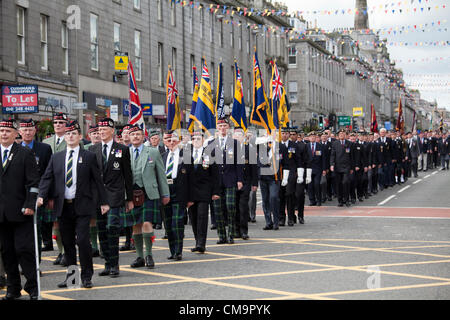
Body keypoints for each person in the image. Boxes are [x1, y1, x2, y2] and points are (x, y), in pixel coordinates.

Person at [38, 120, 110, 289]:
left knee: (83, 241)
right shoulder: (57, 157)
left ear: (79, 136)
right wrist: (41, 195)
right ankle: (72, 277)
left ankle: (86, 276)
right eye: (68, 134)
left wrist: (104, 202)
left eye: (73, 133)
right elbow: (47, 178)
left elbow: (97, 181)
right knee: (68, 243)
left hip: (83, 205)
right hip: (63, 206)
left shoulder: (89, 156)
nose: (70, 136)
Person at [0, 119, 40, 300]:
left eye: (8, 131)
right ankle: (13, 288)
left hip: (22, 211)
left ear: (16, 134)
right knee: (6, 252)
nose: (4, 134)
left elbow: (33, 183)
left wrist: (30, 204)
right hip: (1, 213)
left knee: (24, 250)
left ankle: (32, 287)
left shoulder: (24, 153)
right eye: (1, 130)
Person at [89, 118, 133, 278]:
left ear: (112, 131)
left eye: (104, 129)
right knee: (102, 231)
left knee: (112, 229)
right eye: (99, 130)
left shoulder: (122, 149)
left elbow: (128, 176)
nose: (101, 132)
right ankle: (107, 263)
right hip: (98, 197)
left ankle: (115, 264)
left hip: (115, 196)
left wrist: (129, 199)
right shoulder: (92, 149)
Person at [125, 125, 169, 268]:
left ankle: (149, 254)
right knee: (135, 226)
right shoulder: (124, 153)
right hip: (131, 194)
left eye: (138, 134)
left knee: (146, 223)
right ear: (129, 137)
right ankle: (139, 257)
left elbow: (161, 174)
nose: (135, 137)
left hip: (149, 193)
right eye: (133, 135)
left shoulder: (153, 152)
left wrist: (165, 193)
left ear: (143, 137)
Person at [18, 119, 53, 257]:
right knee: (21, 232)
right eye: (24, 130)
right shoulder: (15, 148)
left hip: (38, 195)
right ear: (19, 132)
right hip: (19, 196)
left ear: (35, 131)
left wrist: (48, 196)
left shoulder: (44, 149)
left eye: (30, 129)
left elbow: (49, 174)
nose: (27, 132)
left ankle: (35, 264)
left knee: (36, 231)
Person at [43, 113, 71, 267]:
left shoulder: (70, 140)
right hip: (51, 187)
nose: (58, 125)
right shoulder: (46, 142)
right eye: (56, 122)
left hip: (66, 186)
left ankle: (67, 251)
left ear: (66, 125)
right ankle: (61, 251)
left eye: (61, 122)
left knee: (65, 222)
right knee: (55, 223)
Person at [210, 119, 244, 244]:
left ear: (228, 128)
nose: (222, 128)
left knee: (230, 207)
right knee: (218, 209)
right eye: (220, 126)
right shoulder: (211, 144)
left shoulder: (234, 143)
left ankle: (231, 234)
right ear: (217, 128)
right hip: (217, 182)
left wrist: (240, 179)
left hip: (231, 179)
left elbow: (239, 163)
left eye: (225, 126)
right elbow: (209, 164)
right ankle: (221, 235)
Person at [162, 131, 192, 260]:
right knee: (168, 223)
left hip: (179, 191)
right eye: (169, 140)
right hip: (165, 191)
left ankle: (178, 251)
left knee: (177, 222)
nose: (172, 142)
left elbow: (191, 178)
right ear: (165, 142)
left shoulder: (186, 155)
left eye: (174, 140)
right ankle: (172, 250)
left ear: (179, 141)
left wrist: (190, 198)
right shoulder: (162, 156)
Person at [188, 131, 220, 253]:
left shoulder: (209, 153)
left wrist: (215, 191)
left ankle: (202, 243)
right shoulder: (186, 153)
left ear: (203, 140)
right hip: (191, 191)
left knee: (202, 217)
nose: (196, 140)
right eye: (194, 138)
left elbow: (215, 175)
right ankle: (197, 242)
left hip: (204, 190)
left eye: (198, 138)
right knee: (193, 217)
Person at [233, 127, 258, 239]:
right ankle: (236, 230)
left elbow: (254, 168)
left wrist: (254, 183)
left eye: (239, 135)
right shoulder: (229, 149)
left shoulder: (250, 149)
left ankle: (244, 231)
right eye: (235, 136)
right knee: (234, 207)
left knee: (243, 207)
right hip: (233, 182)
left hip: (246, 181)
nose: (237, 138)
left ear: (243, 137)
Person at [330, 129, 353, 207]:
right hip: (338, 166)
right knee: (339, 184)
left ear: (345, 135)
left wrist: (352, 167)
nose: (341, 135)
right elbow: (332, 155)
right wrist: (332, 165)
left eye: (343, 134)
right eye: (340, 134)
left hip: (347, 166)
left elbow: (352, 156)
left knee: (345, 182)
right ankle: (340, 200)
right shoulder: (335, 143)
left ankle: (346, 199)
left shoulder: (349, 143)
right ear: (338, 135)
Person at [306, 132, 326, 206]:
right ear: (309, 138)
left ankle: (319, 200)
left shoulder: (320, 146)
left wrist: (324, 169)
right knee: (310, 185)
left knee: (317, 184)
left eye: (314, 136)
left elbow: (323, 158)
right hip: (309, 169)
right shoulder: (306, 146)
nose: (312, 138)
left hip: (318, 168)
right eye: (311, 137)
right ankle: (312, 200)